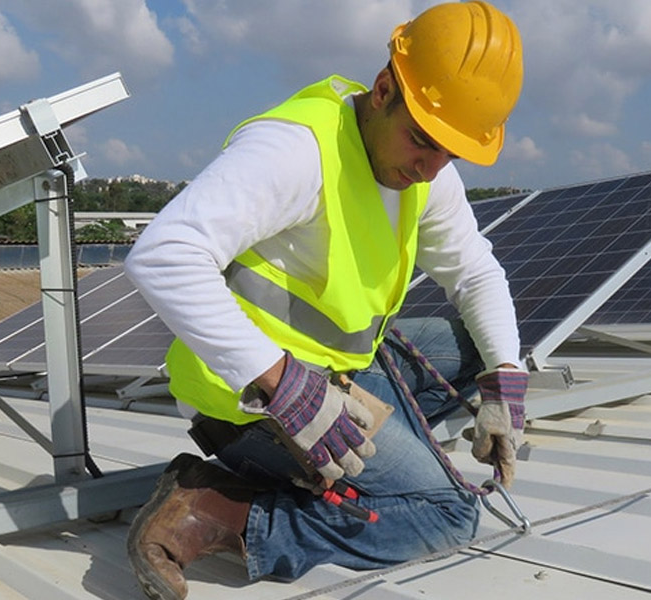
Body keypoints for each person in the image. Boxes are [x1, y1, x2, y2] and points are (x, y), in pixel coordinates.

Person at [123, 2, 527, 598]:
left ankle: (364, 459)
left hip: (342, 375)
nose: (432, 167)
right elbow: (163, 253)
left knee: (479, 351)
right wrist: (283, 382)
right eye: (423, 140)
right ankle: (216, 510)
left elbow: (474, 271)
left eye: (451, 152)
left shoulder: (428, 168)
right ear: (385, 88)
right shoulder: (296, 151)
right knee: (446, 513)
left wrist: (506, 379)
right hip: (249, 399)